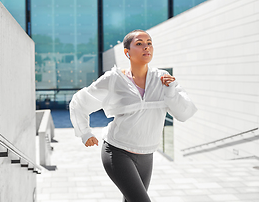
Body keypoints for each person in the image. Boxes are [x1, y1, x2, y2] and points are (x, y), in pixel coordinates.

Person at [69, 29, 197, 202]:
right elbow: (79, 101)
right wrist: (85, 132)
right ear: (127, 52)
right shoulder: (114, 79)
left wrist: (171, 93)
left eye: (149, 43)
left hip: (147, 154)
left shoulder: (163, 79)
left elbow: (184, 113)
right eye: (139, 44)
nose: (146, 47)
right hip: (117, 151)